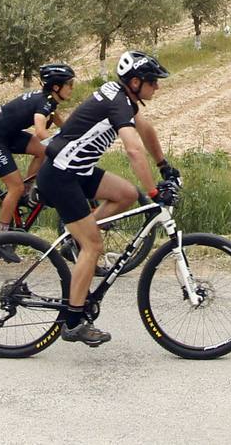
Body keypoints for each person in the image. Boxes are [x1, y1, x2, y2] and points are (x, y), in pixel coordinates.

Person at [35, 50, 179, 347]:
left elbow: (147, 130)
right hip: (61, 175)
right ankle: (73, 321)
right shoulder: (118, 103)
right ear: (136, 82)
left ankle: (76, 239)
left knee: (126, 194)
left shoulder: (124, 98)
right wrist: (154, 191)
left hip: (77, 170)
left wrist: (164, 165)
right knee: (94, 246)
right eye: (154, 81)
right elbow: (133, 150)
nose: (158, 87)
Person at [0, 63, 75, 227]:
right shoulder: (44, 103)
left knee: (42, 150)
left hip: (8, 135)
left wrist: (73, 136)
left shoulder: (49, 101)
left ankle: (27, 191)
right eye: (70, 84)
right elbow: (40, 131)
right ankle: (3, 236)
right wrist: (59, 149)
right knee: (15, 187)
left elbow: (57, 120)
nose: (72, 88)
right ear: (57, 87)